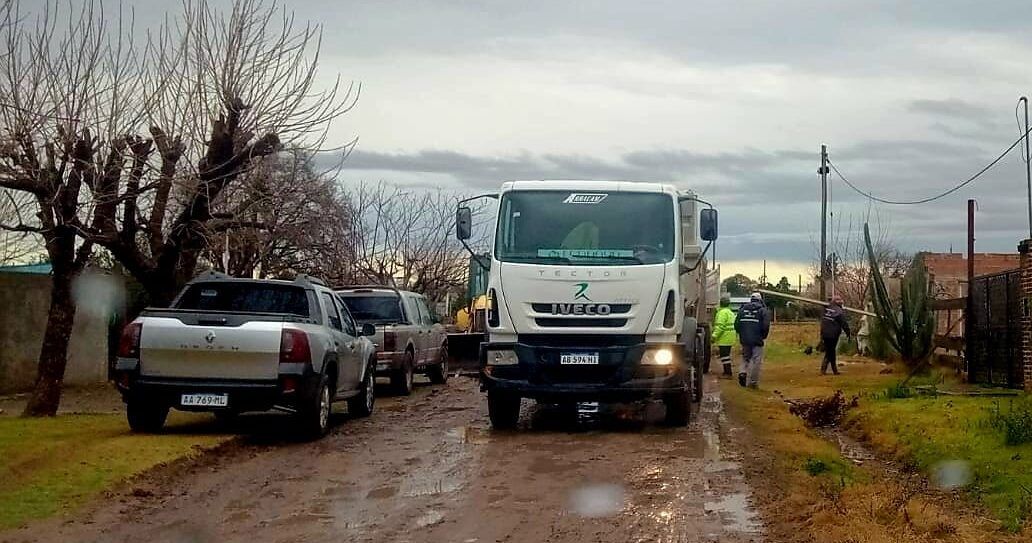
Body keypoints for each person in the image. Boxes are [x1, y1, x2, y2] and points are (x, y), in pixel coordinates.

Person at [734, 292, 770, 389]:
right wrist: (763, 336)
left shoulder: (742, 310)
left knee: (745, 358)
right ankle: (753, 382)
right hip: (757, 339)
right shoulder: (763, 310)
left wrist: (741, 333)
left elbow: (736, 324)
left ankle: (742, 372)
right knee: (756, 360)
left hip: (745, 339)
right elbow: (766, 325)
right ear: (760, 300)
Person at [821, 295, 852, 375]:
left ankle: (828, 369)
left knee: (830, 351)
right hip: (833, 334)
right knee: (831, 352)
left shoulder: (827, 309)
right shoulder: (839, 311)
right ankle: (830, 370)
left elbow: (823, 321)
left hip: (825, 333)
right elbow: (844, 323)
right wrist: (848, 333)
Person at [711, 297, 737, 377]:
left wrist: (714, 336)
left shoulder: (721, 313)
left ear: (720, 303)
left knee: (724, 356)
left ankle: (727, 373)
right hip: (731, 337)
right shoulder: (730, 312)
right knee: (726, 355)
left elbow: (720, 326)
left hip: (724, 338)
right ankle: (727, 372)